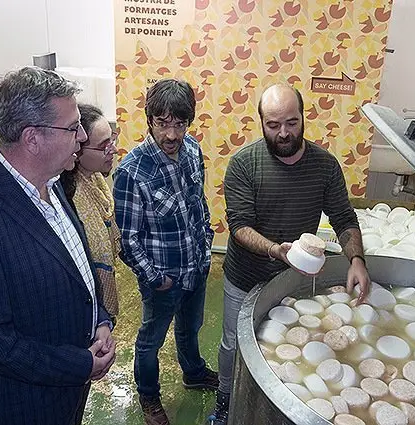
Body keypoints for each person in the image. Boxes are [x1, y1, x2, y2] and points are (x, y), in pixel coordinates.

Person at [0, 67, 116, 425]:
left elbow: (77, 266)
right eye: (72, 127)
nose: (81, 136)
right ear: (32, 138)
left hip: (66, 394)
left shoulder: (54, 182)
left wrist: (101, 321)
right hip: (21, 405)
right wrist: (78, 364)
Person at [207, 84, 371, 424]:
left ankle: (273, 406)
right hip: (246, 276)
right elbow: (239, 227)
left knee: (290, 345)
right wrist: (273, 249)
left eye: (292, 123)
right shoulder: (244, 165)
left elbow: (343, 217)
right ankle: (225, 399)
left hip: (293, 279)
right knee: (233, 344)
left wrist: (356, 260)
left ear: (303, 117)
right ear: (261, 122)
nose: (284, 133)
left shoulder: (324, 166)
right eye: (274, 125)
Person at [113, 79, 216, 425]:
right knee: (150, 341)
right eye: (162, 123)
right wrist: (155, 278)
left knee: (191, 327)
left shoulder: (192, 150)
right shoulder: (132, 171)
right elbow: (127, 239)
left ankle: (194, 371)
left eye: (180, 123)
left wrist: (206, 245)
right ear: (149, 120)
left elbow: (197, 202)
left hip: (196, 267)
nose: (171, 134)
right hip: (164, 278)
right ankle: (149, 397)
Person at [60, 103, 122, 323]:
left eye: (112, 140)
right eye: (104, 145)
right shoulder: (68, 197)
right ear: (77, 151)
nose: (113, 150)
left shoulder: (96, 179)